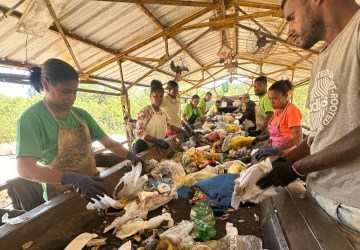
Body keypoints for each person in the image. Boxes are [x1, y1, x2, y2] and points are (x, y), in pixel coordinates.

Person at [256, 0, 360, 247]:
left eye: (291, 18)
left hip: (352, 209)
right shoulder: (321, 60)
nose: (289, 30)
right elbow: (320, 137)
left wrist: (296, 169)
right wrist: (286, 160)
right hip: (318, 196)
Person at [16, 58, 145, 203]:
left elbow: (108, 143)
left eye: (74, 92)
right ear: (46, 84)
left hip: (93, 185)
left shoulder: (80, 116)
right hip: (61, 194)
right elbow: (25, 168)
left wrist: (129, 155)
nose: (71, 98)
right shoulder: (32, 119)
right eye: (65, 92)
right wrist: (69, 178)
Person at [252, 80, 303, 161]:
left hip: (286, 156)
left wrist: (276, 149)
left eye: (275, 98)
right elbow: (280, 133)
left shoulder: (291, 110)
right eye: (270, 98)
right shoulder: (277, 110)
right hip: (275, 151)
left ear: (285, 96)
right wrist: (265, 137)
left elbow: (298, 138)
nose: (272, 102)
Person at [133, 80, 188, 153]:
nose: (158, 99)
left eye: (161, 96)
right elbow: (139, 131)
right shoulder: (146, 112)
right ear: (150, 97)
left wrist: (181, 130)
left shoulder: (163, 113)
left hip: (158, 147)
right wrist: (154, 140)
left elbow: (169, 126)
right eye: (155, 96)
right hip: (146, 148)